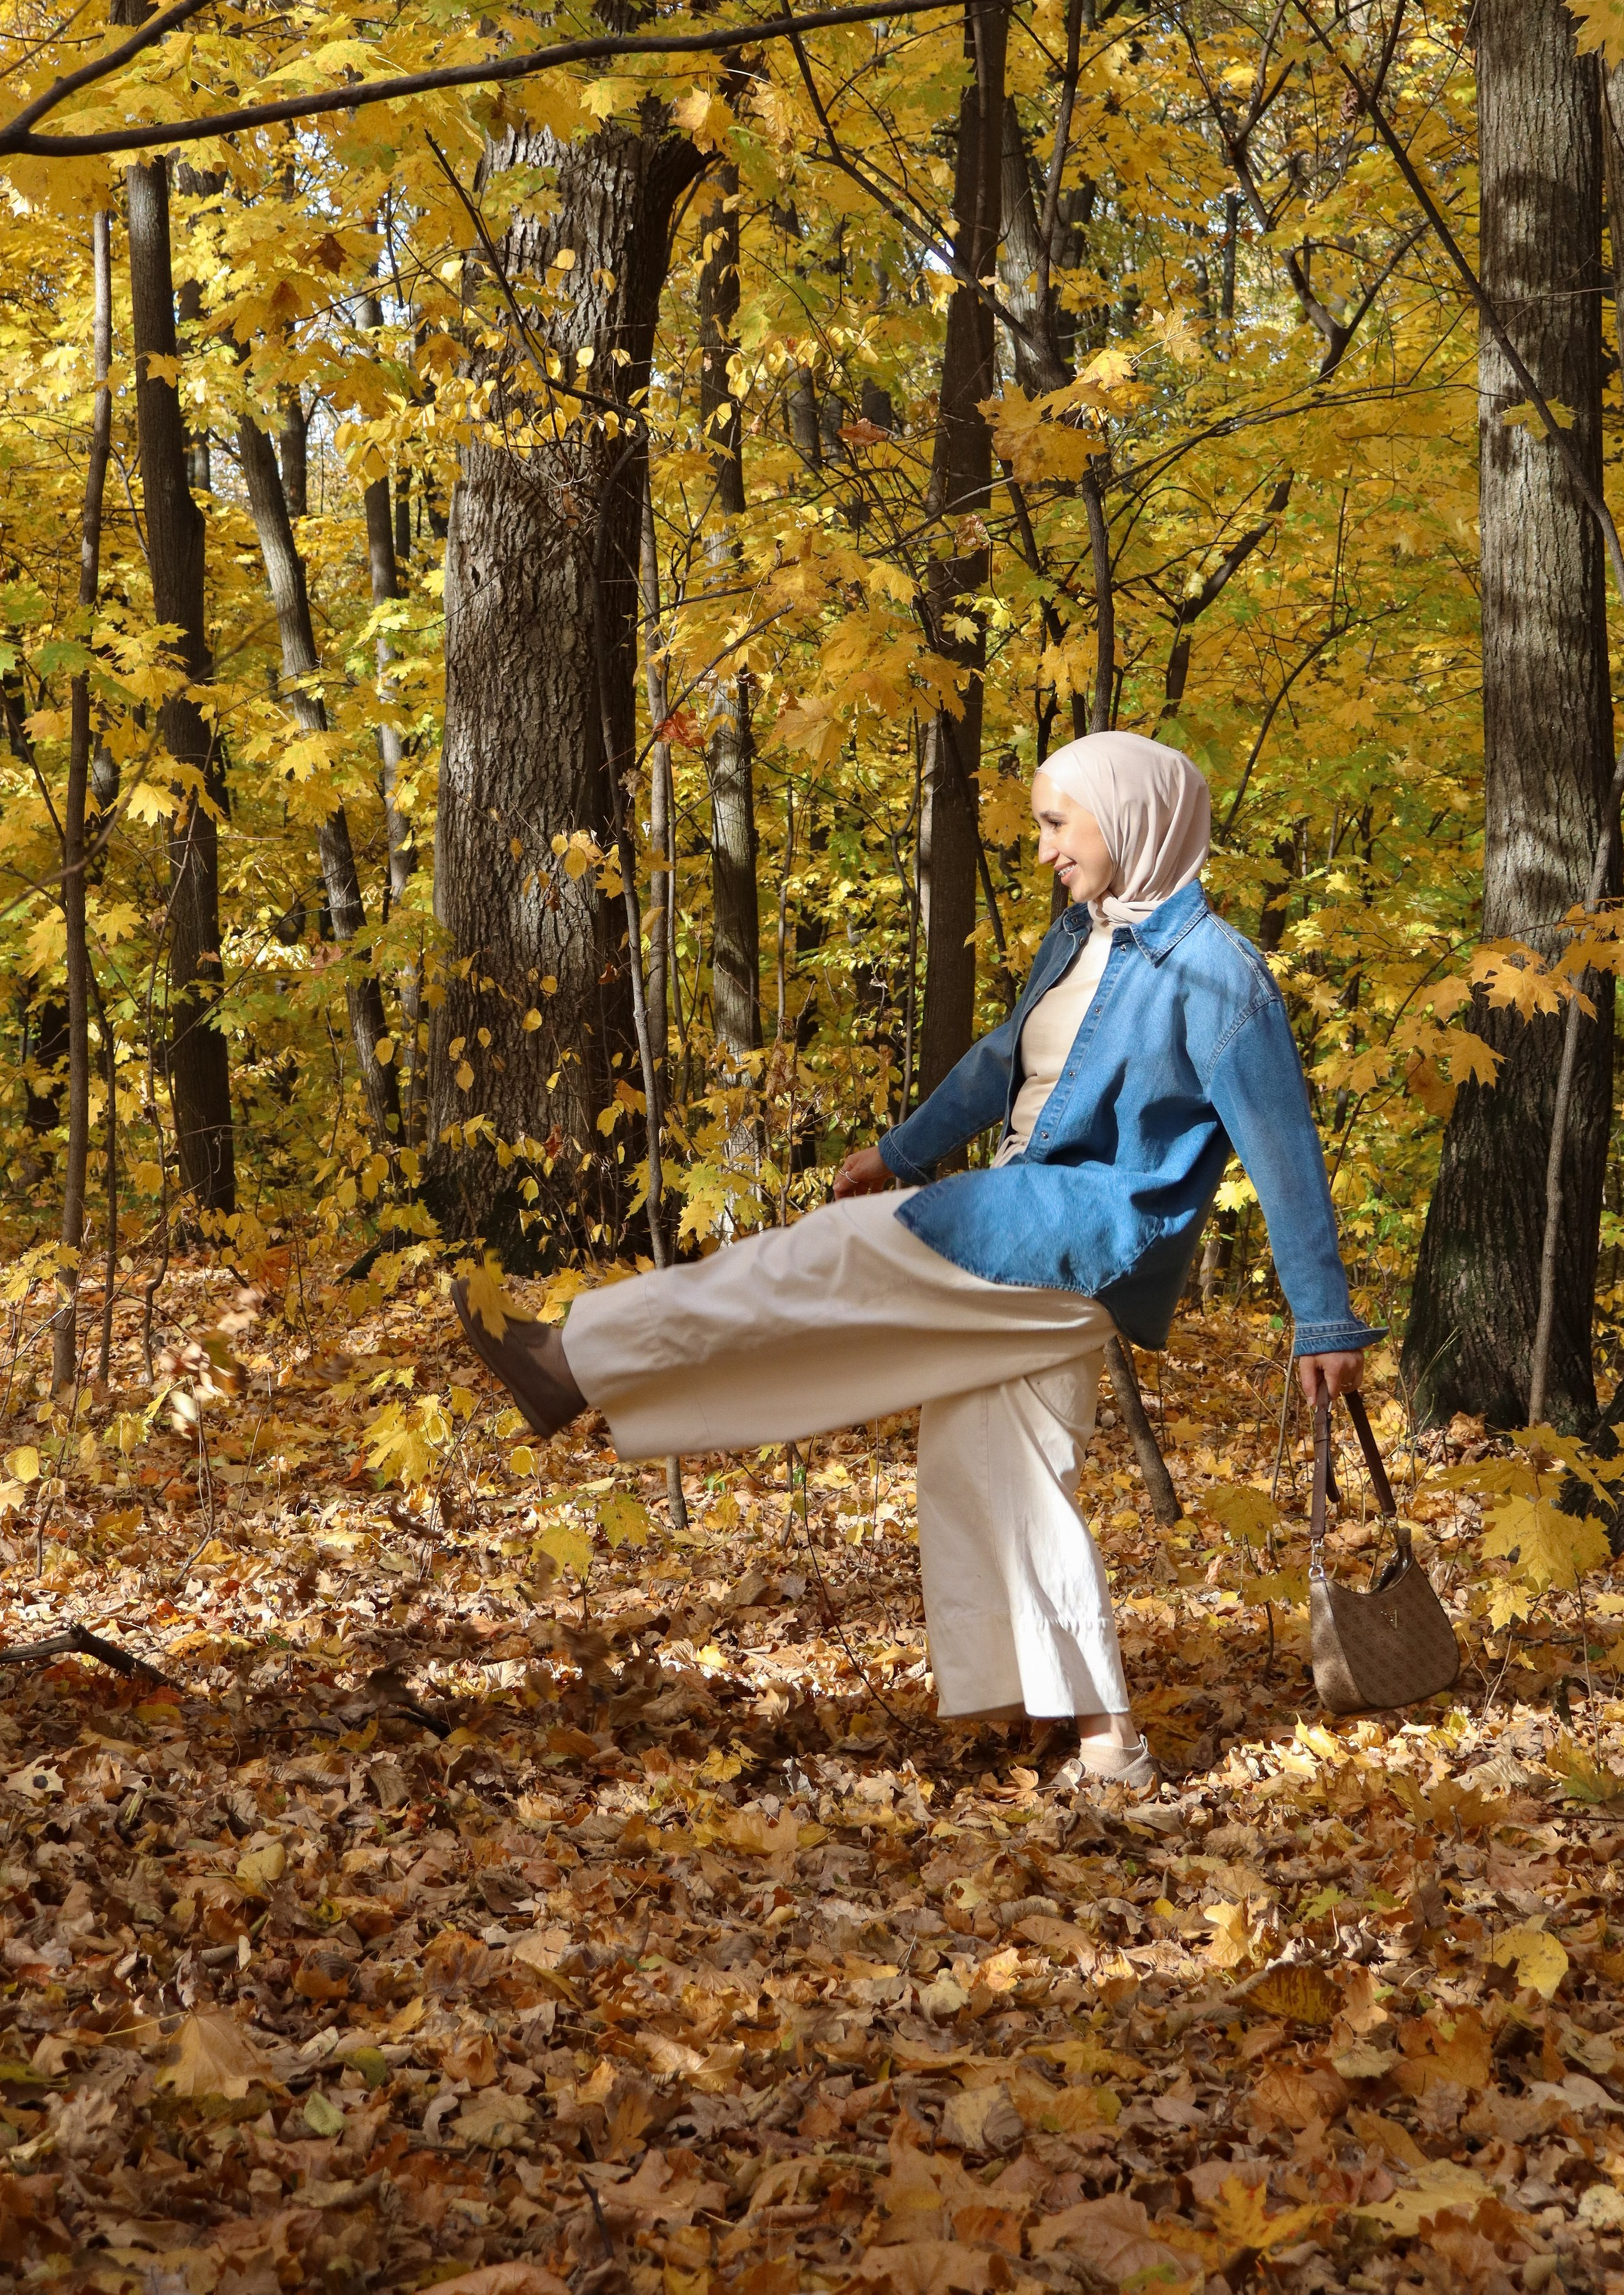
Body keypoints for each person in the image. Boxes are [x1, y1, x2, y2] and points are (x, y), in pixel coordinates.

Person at [451, 731, 1382, 1789]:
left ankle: (572, 1360)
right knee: (997, 1461)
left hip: (1074, 1236)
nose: (1044, 850)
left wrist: (1323, 1319)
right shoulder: (1083, 937)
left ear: (1129, 817)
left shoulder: (1218, 975)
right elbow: (999, 1062)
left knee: (815, 1259)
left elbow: (1283, 1149)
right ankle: (1096, 1736)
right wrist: (897, 1151)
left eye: (1057, 824)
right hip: (1031, 1223)